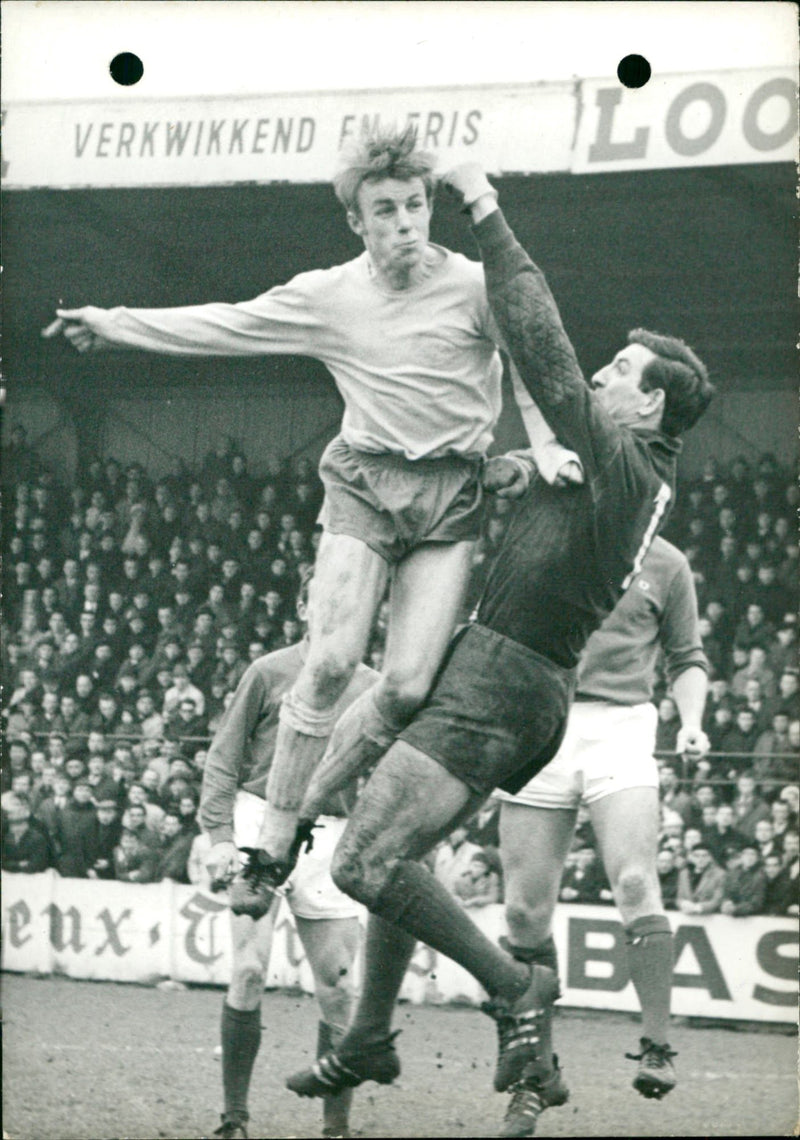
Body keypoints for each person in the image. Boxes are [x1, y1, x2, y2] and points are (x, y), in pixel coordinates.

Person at [284, 162, 713, 1136]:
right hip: (513, 680)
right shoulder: (620, 474)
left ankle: (513, 991)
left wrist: (484, 210)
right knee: (401, 851)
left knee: (359, 865)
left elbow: (542, 346)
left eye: (620, 375)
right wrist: (511, 466)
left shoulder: (622, 460)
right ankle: (370, 1040)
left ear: (646, 407)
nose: (600, 378)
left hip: (504, 680)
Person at [42, 126, 578, 904]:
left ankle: (303, 813)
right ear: (357, 221)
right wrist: (114, 320)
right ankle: (273, 837)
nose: (405, 221)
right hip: (364, 483)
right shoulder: (331, 296)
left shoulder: (469, 284)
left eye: (417, 204)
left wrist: (546, 443)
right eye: (386, 209)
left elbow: (527, 356)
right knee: (328, 664)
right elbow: (225, 324)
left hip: (449, 494)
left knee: (400, 690)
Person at [494, 534, 708, 1118]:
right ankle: (537, 1072)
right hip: (540, 720)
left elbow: (687, 657)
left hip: (620, 727)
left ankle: (657, 1046)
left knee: (636, 881)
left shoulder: (667, 563)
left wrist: (691, 721)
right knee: (522, 912)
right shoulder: (546, 543)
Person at [199, 579, 379, 1140]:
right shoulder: (268, 671)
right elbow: (224, 758)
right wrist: (220, 836)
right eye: (321, 600)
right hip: (259, 819)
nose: (332, 611)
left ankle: (336, 1129)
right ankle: (235, 1118)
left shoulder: (377, 687)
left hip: (331, 833)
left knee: (340, 988)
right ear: (302, 607)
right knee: (249, 969)